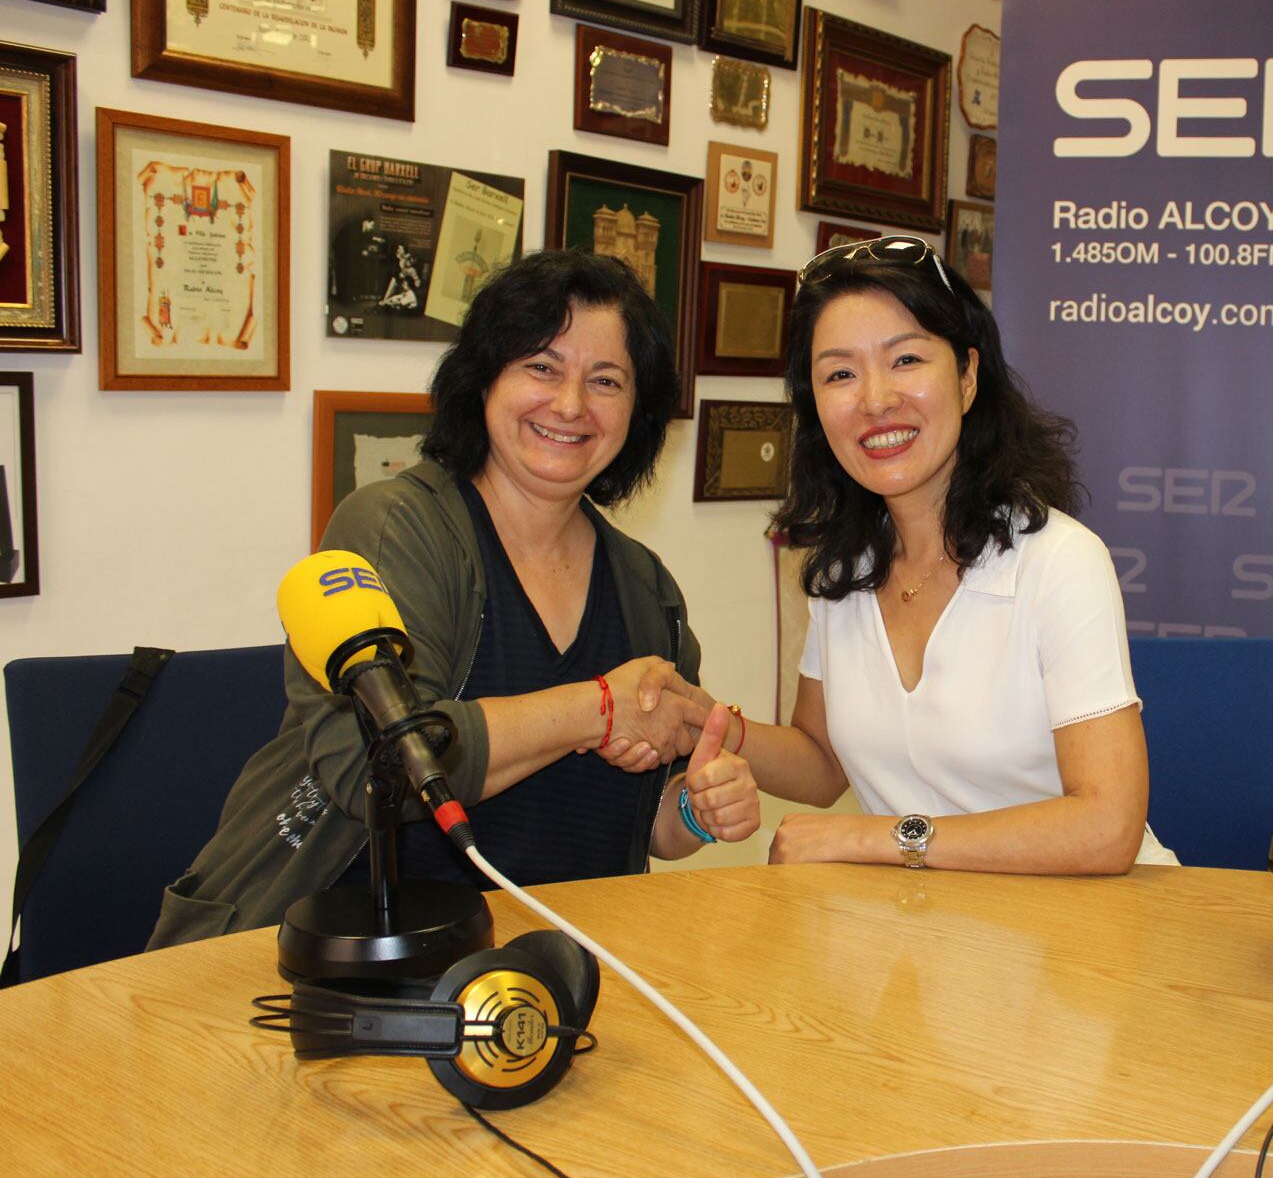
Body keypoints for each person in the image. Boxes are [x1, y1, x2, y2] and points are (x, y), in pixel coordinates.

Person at [149, 250, 759, 948]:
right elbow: (378, 767)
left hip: (557, 973)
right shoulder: (391, 528)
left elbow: (644, 819)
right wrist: (600, 706)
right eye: (542, 366)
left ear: (638, 411)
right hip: (345, 965)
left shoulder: (647, 589)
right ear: (484, 378)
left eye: (606, 380)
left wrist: (698, 808)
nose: (570, 404)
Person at [667, 236, 1178, 876]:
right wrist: (702, 721)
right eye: (840, 374)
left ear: (967, 377)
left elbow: (1107, 828)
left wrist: (873, 840)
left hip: (1094, 933)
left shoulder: (1059, 562)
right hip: (936, 936)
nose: (876, 399)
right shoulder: (842, 572)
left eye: (905, 359)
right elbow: (826, 762)